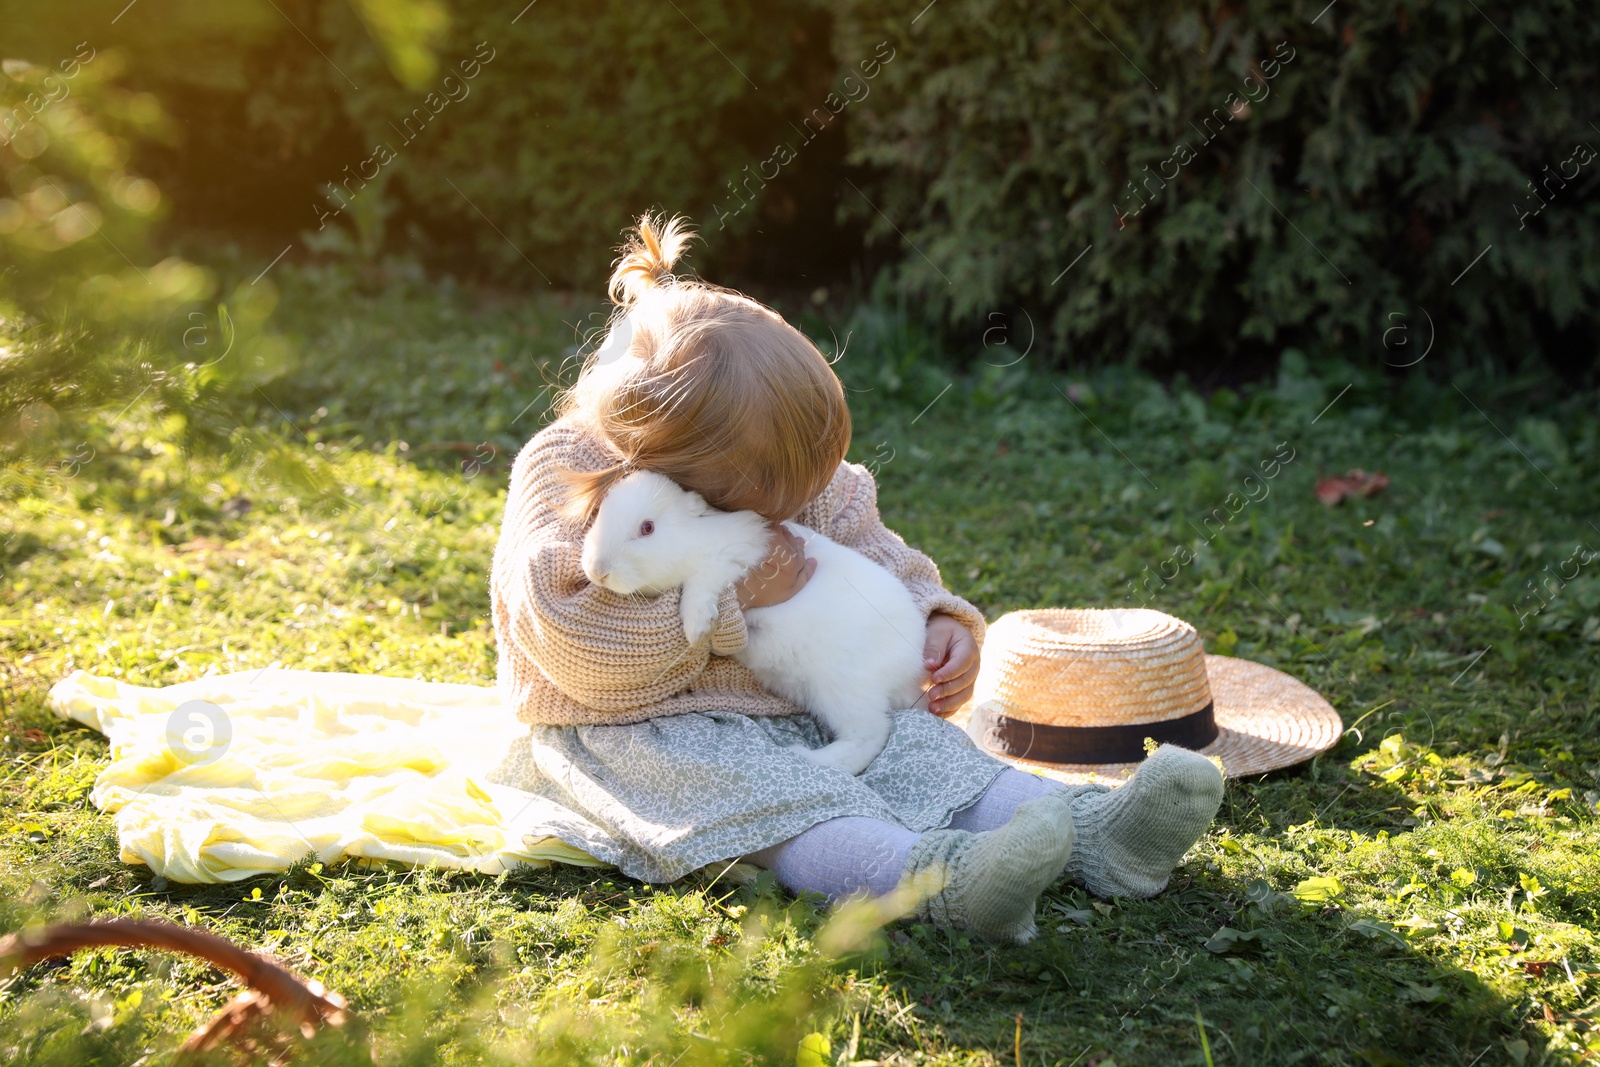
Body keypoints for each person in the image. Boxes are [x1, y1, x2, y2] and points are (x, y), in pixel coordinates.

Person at [486, 213, 1224, 943]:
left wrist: (933, 616)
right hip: (648, 728)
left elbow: (870, 546)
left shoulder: (776, 462)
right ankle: (942, 880)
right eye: (761, 504)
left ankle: (1099, 833)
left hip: (807, 694)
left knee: (921, 751)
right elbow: (568, 639)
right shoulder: (569, 475)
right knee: (782, 801)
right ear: (673, 473)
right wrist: (734, 598)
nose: (794, 510)